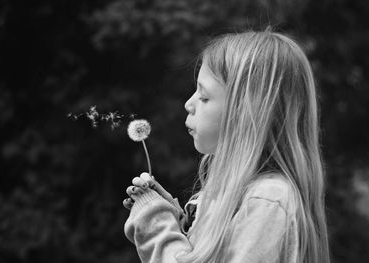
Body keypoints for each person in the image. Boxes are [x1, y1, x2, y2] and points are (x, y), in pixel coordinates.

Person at [122, 28, 331, 263]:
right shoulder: (227, 198)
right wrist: (175, 220)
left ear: (246, 113)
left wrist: (156, 227)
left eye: (204, 97)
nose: (188, 104)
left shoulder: (266, 201)